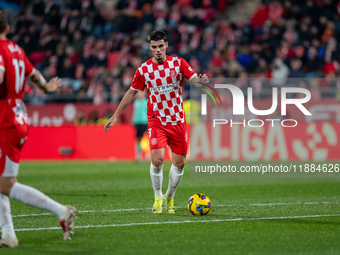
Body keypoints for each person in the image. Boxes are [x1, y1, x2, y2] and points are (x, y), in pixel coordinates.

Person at [104, 30, 208, 214]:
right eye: (154, 47)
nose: (158, 50)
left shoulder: (178, 63)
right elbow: (131, 93)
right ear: (150, 48)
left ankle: (169, 197)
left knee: (180, 163)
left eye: (161, 46)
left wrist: (202, 81)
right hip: (156, 121)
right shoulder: (143, 70)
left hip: (177, 120)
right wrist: (116, 115)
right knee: (157, 160)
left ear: (166, 45)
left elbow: (194, 80)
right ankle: (158, 197)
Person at [0, 11, 76, 248]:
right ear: (8, 28)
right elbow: (35, 76)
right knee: (2, 182)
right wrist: (47, 88)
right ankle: (9, 235)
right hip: (18, 118)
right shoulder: (17, 50)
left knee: (6, 184)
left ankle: (61, 211)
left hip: (5, 121)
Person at [132, 90, 148, 162]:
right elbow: (135, 112)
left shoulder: (146, 102)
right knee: (138, 139)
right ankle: (138, 157)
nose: (140, 95)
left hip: (145, 122)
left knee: (146, 140)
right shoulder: (136, 102)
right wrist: (133, 120)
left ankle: (147, 156)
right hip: (138, 122)